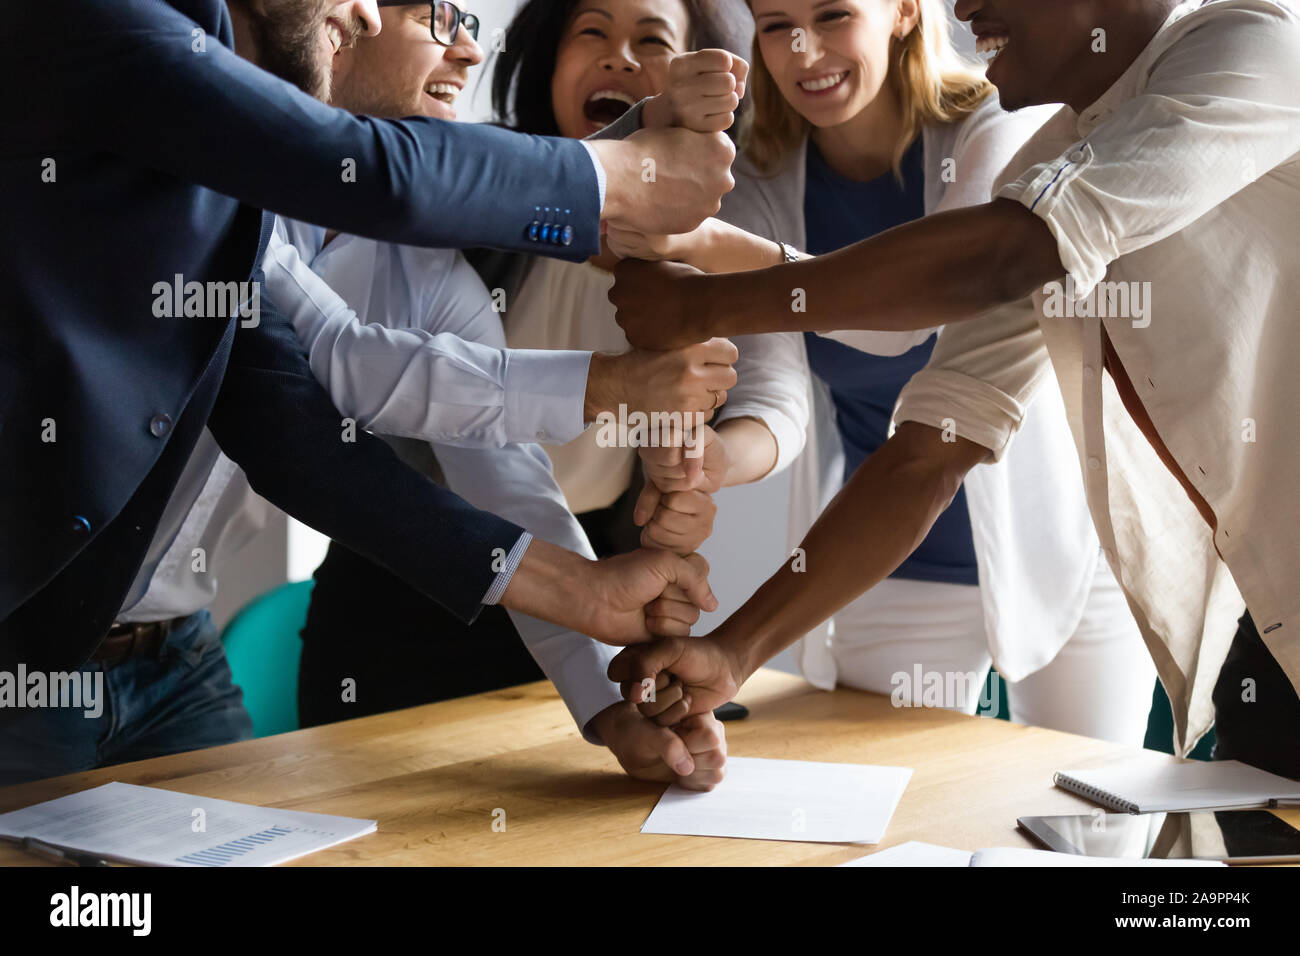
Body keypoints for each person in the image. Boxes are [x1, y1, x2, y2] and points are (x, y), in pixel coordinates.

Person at [0, 0, 732, 782]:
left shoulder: (407, 262)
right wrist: (615, 196)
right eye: (436, 14)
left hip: (177, 650)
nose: (467, 55)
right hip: (31, 644)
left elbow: (472, 465)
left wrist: (607, 690)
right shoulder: (179, 115)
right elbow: (350, 354)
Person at [609, 0, 1300, 777]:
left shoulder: (1253, 40)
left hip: (1119, 579)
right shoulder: (1052, 163)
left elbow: (999, 255)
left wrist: (706, 298)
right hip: (1273, 636)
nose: (965, 6)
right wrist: (730, 653)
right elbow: (928, 452)